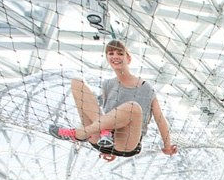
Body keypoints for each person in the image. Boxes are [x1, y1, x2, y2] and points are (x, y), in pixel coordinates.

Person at [49, 39, 178, 162]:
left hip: (126, 142)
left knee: (133, 107)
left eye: (120, 53)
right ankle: (103, 134)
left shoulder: (146, 88)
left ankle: (79, 134)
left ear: (128, 58)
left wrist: (167, 146)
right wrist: (106, 141)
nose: (115, 56)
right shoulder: (108, 85)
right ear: (107, 58)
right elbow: (100, 113)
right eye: (111, 53)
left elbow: (160, 119)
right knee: (77, 82)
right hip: (100, 138)